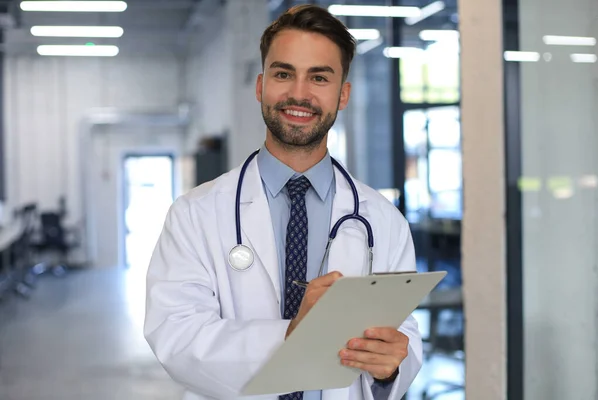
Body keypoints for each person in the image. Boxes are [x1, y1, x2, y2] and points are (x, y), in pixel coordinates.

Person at [144, 4, 422, 400]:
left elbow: (404, 335)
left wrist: (389, 367)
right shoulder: (195, 214)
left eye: (319, 77)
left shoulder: (383, 220)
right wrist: (290, 335)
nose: (298, 93)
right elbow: (175, 335)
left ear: (342, 95)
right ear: (260, 86)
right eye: (283, 73)